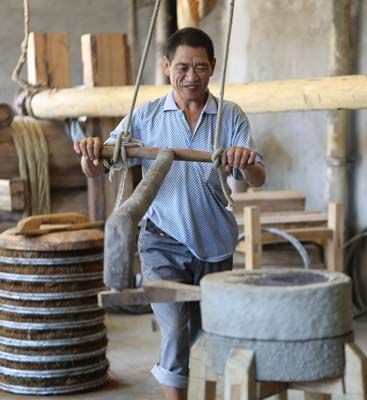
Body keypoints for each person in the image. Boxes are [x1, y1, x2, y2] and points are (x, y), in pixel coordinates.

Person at [74, 28, 266, 400]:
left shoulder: (229, 116)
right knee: (176, 333)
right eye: (182, 67)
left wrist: (245, 162)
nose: (191, 76)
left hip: (215, 244)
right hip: (161, 241)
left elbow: (258, 177)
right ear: (166, 66)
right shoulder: (146, 116)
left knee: (206, 334)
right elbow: (98, 166)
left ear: (213, 67)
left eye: (200, 67)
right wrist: (91, 154)